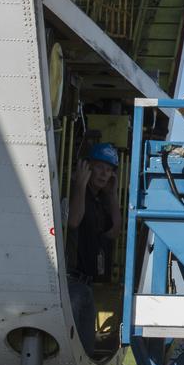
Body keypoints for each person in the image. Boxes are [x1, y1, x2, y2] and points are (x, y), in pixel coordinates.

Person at [66, 142, 121, 342]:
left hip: (86, 284)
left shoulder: (100, 200)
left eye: (109, 170)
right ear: (86, 166)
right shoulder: (76, 192)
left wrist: (113, 195)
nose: (104, 174)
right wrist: (80, 185)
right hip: (71, 281)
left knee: (86, 345)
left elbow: (114, 231)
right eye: (99, 167)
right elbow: (73, 221)